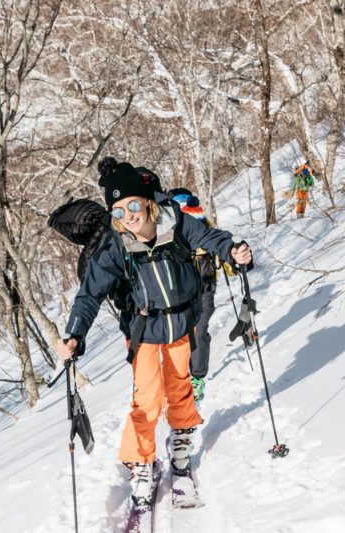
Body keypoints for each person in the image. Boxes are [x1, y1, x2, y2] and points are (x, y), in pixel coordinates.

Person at [56, 159, 253, 507]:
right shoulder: (114, 245)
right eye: (118, 210)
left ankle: (180, 449)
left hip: (180, 323)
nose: (128, 215)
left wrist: (233, 250)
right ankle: (141, 467)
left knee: (179, 388)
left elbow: (209, 237)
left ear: (147, 201)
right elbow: (90, 294)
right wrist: (74, 334)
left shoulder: (175, 223)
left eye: (133, 205)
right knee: (146, 400)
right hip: (143, 329)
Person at [166, 188, 222, 406]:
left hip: (205, 286)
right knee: (181, 335)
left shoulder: (201, 224)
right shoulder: (167, 230)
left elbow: (217, 243)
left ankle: (197, 377)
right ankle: (180, 378)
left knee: (199, 331)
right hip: (179, 292)